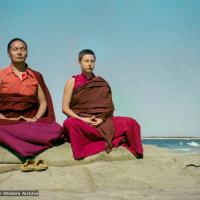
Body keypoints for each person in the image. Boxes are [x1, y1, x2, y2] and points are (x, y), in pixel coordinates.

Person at [62, 49, 143, 160]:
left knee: (131, 122)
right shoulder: (72, 81)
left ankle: (99, 139)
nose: (89, 64)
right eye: (86, 61)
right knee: (70, 123)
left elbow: (108, 108)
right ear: (79, 62)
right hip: (81, 121)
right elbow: (65, 108)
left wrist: (101, 119)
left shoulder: (101, 82)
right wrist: (83, 119)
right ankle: (113, 139)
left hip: (102, 121)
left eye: (92, 61)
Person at [0, 38, 63, 171]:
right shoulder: (1, 75)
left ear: (27, 52)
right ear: (9, 53)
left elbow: (43, 102)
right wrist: (4, 119)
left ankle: (25, 149)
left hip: (28, 120)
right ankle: (30, 153)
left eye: (23, 49)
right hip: (6, 121)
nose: (19, 52)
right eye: (15, 49)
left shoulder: (35, 76)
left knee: (56, 129)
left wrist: (35, 118)